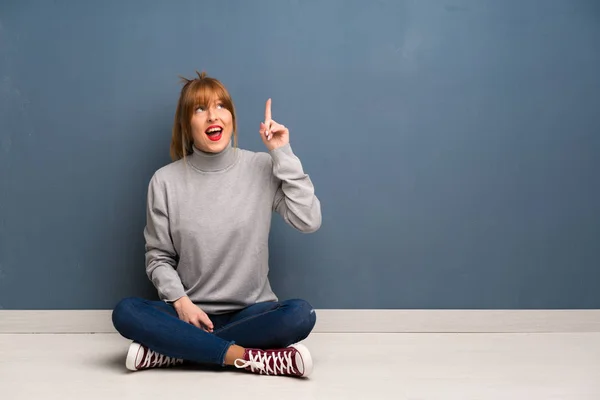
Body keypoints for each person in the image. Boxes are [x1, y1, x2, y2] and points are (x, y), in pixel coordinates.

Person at [111, 71, 322, 378]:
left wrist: (282, 153)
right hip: (187, 314)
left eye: (221, 106)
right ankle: (246, 357)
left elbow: (309, 220)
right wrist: (182, 305)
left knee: (300, 315)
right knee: (126, 312)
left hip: (252, 312)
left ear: (232, 118)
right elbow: (158, 258)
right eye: (200, 109)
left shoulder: (261, 167)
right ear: (186, 124)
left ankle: (177, 351)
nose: (213, 116)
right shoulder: (165, 181)